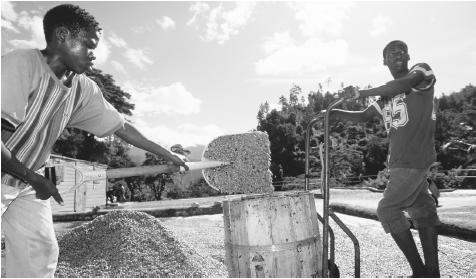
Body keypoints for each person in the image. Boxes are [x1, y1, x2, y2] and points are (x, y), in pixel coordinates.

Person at [1, 4, 187, 277]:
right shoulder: (20, 64)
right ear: (62, 35)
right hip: (19, 174)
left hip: (28, 181)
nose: (93, 55)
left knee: (38, 252)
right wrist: (34, 178)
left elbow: (121, 127)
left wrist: (167, 154)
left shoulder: (82, 88)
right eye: (88, 45)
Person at [327, 40, 440, 277]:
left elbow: (405, 83)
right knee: (422, 209)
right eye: (391, 52)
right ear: (384, 61)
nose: (397, 54)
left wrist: (362, 92)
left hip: (411, 160)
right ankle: (432, 272)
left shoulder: (421, 72)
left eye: (401, 50)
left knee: (387, 210)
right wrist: (332, 113)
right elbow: (364, 116)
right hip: (405, 162)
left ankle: (420, 273)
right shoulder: (387, 98)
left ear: (409, 55)